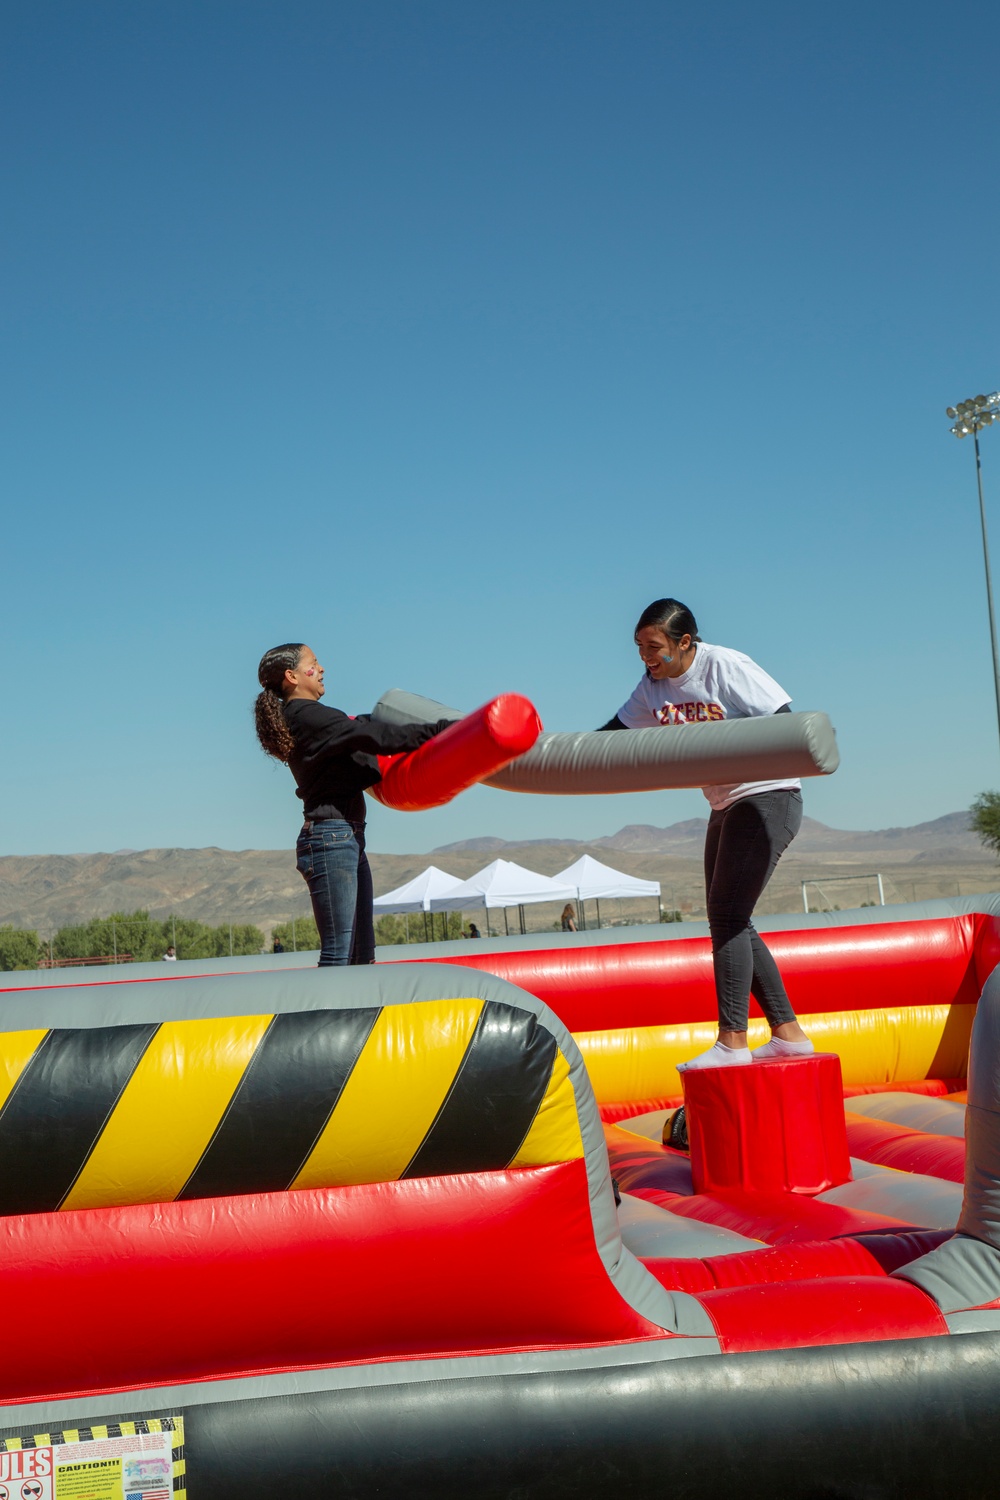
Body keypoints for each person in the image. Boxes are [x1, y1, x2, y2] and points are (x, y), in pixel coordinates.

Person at [599, 598, 812, 1070]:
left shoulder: (725, 667)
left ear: (685, 642)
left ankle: (732, 1042)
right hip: (724, 802)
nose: (645, 656)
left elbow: (785, 721)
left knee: (727, 913)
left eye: (654, 647)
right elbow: (614, 734)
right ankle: (788, 1034)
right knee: (730, 917)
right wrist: (553, 755)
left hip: (768, 796)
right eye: (638, 646)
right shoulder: (651, 688)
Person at [254, 643, 452, 967]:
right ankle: (329, 1017)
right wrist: (441, 731)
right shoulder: (305, 715)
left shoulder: (309, 717)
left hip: (345, 838)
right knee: (339, 957)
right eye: (313, 663)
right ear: (291, 676)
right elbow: (368, 735)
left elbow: (360, 726)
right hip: (331, 839)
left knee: (362, 956)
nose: (321, 669)